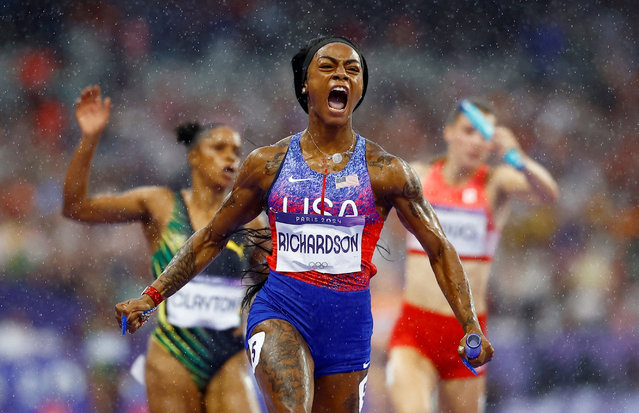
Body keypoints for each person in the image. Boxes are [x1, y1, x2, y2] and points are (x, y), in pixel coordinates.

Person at [114, 36, 494, 413]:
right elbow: (213, 235)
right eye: (327, 67)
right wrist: (151, 297)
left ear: (360, 88)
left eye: (352, 69)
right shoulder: (268, 164)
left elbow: (440, 248)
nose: (341, 75)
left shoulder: (388, 172)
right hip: (281, 310)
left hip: (349, 329)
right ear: (305, 85)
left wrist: (470, 324)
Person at [63, 85, 263, 413]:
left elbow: (268, 285)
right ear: (194, 157)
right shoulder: (161, 206)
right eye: (219, 147)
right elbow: (77, 207)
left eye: (236, 150)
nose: (231, 157)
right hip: (174, 354)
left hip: (228, 356)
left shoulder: (251, 221)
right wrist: (89, 140)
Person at [386, 98, 559, 413]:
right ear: (448, 132)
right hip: (415, 328)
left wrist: (518, 158)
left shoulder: (495, 183)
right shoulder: (420, 177)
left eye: (485, 135)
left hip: (468, 337)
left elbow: (548, 193)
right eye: (468, 131)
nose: (477, 141)